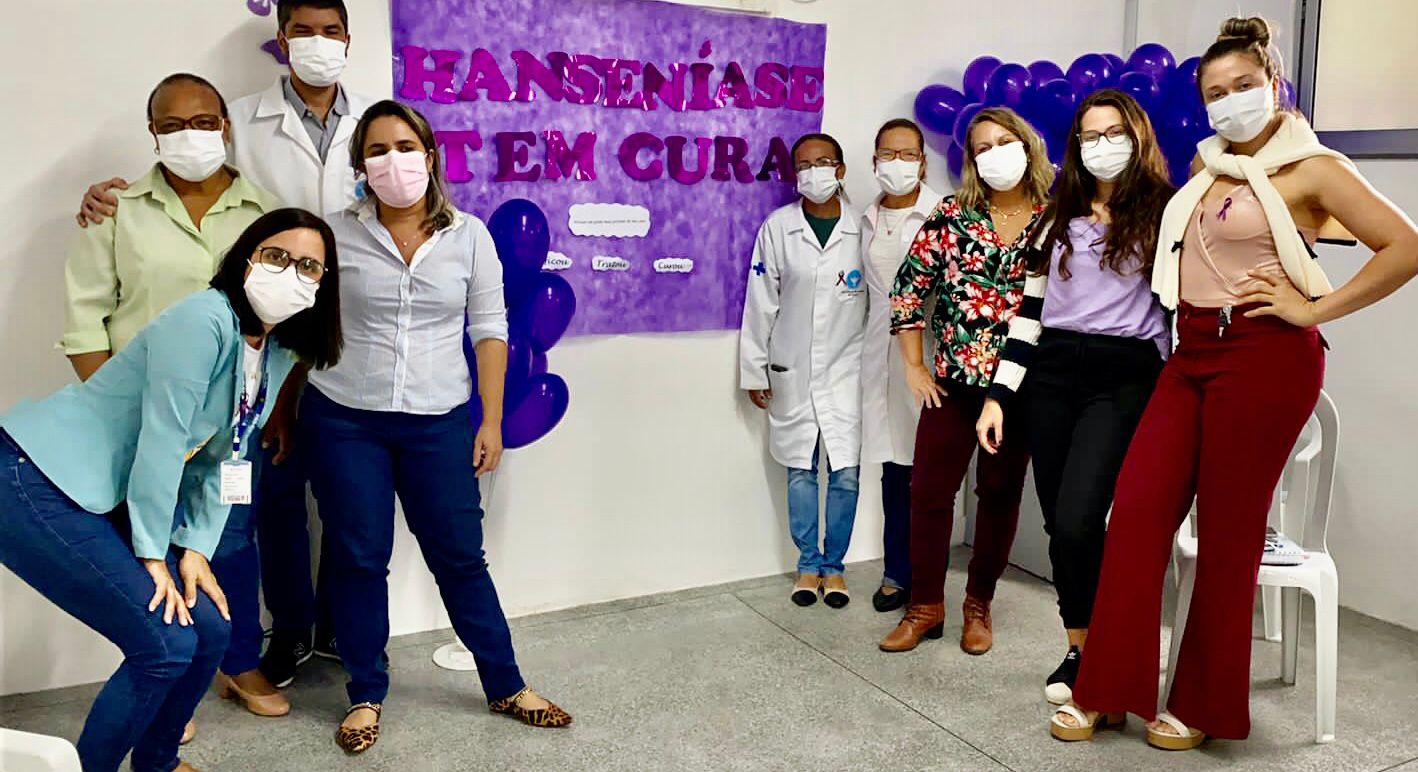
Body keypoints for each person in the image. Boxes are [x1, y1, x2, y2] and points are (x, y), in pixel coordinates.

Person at [1050, 17, 1418, 750]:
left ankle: (1203, 705)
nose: (1229, 101)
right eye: (1215, 92)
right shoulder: (1207, 165)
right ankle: (1108, 689)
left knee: (1227, 530)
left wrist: (1312, 308)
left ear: (1274, 85)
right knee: (1137, 514)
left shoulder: (1313, 168)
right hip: (1190, 352)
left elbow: (1404, 246)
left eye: (1243, 85)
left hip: (1265, 355)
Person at [76, 0, 376, 687]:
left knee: (287, 517)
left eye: (331, 31)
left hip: (280, 375)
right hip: (167, 402)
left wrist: (276, 402)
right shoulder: (213, 145)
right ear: (282, 38)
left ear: (348, 38)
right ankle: (199, 661)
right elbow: (88, 315)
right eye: (302, 30)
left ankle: (285, 646)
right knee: (180, 531)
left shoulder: (353, 140)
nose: (318, 43)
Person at [0, 209, 342, 772]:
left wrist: (197, 550)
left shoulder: (278, 350)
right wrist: (155, 555)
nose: (291, 273)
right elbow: (162, 442)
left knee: (210, 630)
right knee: (164, 644)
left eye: (309, 266)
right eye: (277, 256)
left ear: (322, 285)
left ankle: (155, 763)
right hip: (34, 477)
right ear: (246, 260)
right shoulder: (203, 320)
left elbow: (228, 454)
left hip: (103, 493)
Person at [279, 100, 571, 752]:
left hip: (437, 422)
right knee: (359, 558)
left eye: (405, 146)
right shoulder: (334, 234)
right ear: (361, 166)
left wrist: (490, 420)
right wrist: (282, 410)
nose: (394, 161)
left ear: (430, 156)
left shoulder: (469, 236)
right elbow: (304, 328)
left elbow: (490, 330)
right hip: (345, 419)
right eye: (377, 150)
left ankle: (506, 684)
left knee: (460, 556)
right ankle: (365, 692)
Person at [62, 72, 290, 724]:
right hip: (144, 422)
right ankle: (165, 677)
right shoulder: (116, 211)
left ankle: (237, 662)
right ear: (153, 133)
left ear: (226, 125)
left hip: (231, 423)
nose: (190, 135)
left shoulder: (265, 212)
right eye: (172, 125)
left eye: (204, 121)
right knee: (149, 548)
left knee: (232, 539)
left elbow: (284, 321)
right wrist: (115, 419)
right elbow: (85, 321)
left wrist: (276, 409)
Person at [974, 90, 1173, 705]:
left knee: (1082, 515)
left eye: (1115, 133)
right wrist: (998, 396)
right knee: (1059, 521)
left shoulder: (1167, 211)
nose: (1101, 146)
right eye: (1090, 136)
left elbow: (1178, 310)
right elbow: (1028, 315)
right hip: (1052, 372)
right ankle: (1080, 647)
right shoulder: (1056, 215)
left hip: (1124, 373)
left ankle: (1117, 641)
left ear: (1138, 138)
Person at [879, 107, 1052, 655]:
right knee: (929, 493)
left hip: (1019, 388)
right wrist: (914, 366)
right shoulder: (954, 215)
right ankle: (925, 607)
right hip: (953, 384)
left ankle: (979, 603)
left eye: (1004, 142)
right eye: (982, 147)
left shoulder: (1054, 219)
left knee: (999, 496)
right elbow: (908, 289)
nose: (994, 154)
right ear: (971, 160)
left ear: (1027, 145)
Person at [740, 133, 865, 610]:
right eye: (805, 165)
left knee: (846, 473)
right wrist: (755, 370)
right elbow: (761, 303)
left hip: (848, 370)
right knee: (800, 469)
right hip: (791, 367)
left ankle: (835, 567)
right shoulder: (778, 228)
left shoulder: (862, 229)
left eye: (824, 162)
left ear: (841, 169)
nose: (815, 172)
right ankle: (808, 564)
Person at [860, 119, 941, 613]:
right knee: (894, 467)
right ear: (874, 162)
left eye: (907, 155)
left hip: (930, 356)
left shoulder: (944, 214)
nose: (897, 163)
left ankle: (929, 580)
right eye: (888, 154)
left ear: (923, 162)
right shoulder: (866, 219)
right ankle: (897, 572)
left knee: (929, 473)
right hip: (881, 358)